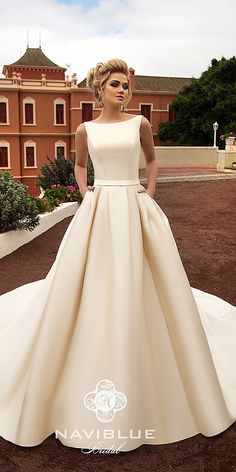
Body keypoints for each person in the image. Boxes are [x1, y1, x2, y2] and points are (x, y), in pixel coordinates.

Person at [0, 58, 235, 454]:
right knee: (90, 278)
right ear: (100, 89)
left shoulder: (139, 124)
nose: (123, 91)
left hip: (134, 204)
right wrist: (85, 191)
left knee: (146, 276)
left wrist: (151, 190)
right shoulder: (85, 129)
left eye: (126, 85)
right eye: (115, 85)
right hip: (99, 206)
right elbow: (78, 165)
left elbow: (153, 160)